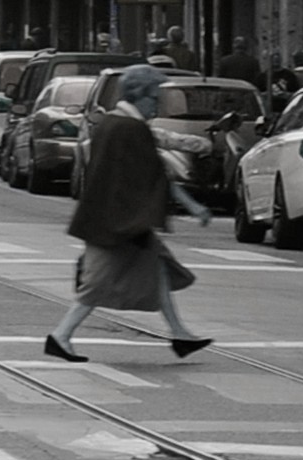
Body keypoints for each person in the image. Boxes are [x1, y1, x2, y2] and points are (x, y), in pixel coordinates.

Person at [44, 63, 211, 363]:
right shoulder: (131, 128)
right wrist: (194, 206)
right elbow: (157, 175)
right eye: (153, 99)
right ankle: (61, 335)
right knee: (96, 283)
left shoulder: (111, 123)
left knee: (157, 268)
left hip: (110, 216)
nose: (156, 105)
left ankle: (180, 334)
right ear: (138, 96)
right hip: (116, 223)